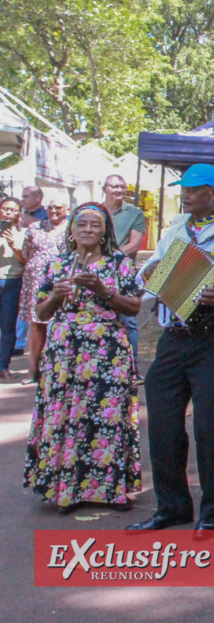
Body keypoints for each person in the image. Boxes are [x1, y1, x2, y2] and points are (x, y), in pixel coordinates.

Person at [126, 165, 214, 531]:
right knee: (163, 425)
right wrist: (150, 273)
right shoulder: (175, 229)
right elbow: (150, 281)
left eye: (194, 189)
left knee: (211, 428)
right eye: (184, 189)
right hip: (174, 338)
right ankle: (171, 507)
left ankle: (211, 512)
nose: (186, 195)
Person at [24, 203, 144, 514]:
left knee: (107, 415)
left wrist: (104, 291)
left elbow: (133, 307)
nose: (88, 230)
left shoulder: (119, 263)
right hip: (65, 351)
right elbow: (40, 313)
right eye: (83, 224)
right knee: (66, 413)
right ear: (72, 230)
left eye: (95, 225)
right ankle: (68, 488)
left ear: (105, 231)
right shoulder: (58, 264)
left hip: (107, 349)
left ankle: (110, 491)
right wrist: (55, 296)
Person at [17, 191, 70, 385]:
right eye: (50, 207)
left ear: (67, 210)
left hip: (60, 283)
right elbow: (26, 252)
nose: (53, 211)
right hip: (35, 282)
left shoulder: (71, 230)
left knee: (57, 325)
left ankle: (54, 371)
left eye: (58, 208)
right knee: (36, 325)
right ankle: (32, 371)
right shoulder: (35, 228)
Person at [102, 174, 147, 382]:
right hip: (97, 271)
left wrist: (108, 258)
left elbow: (134, 245)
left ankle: (133, 368)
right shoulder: (95, 210)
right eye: (114, 186)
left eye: (122, 186)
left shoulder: (135, 213)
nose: (118, 190)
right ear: (105, 188)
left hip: (123, 272)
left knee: (129, 320)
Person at [0, 197, 24, 379]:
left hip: (13, 281)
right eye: (5, 209)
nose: (8, 212)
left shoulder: (23, 234)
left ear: (18, 213)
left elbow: (25, 262)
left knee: (8, 326)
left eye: (12, 210)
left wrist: (14, 247)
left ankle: (3, 366)